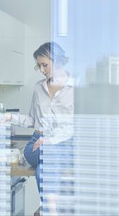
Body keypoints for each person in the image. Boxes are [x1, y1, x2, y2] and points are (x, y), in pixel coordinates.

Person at [4, 42, 74, 215]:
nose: (42, 70)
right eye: (39, 66)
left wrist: (50, 141)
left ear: (57, 61)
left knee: (46, 163)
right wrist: (10, 118)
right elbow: (32, 120)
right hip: (36, 144)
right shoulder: (38, 87)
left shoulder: (74, 89)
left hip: (63, 144)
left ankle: (49, 210)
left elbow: (75, 125)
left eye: (45, 65)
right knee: (45, 157)